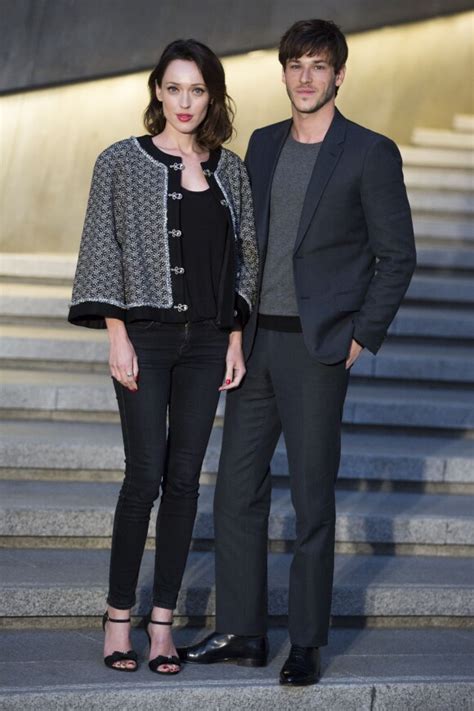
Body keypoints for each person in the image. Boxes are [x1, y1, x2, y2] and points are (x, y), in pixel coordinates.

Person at [178, 19, 416, 685]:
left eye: (318, 66)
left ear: (339, 75)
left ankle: (307, 640)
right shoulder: (263, 144)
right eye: (295, 65)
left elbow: (397, 257)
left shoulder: (370, 153)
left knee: (312, 500)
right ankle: (243, 631)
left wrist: (361, 336)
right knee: (235, 492)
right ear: (283, 73)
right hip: (255, 342)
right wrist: (230, 327)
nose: (305, 77)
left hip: (318, 349)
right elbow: (244, 245)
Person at [68, 38, 258, 675]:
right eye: (174, 88)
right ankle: (118, 616)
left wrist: (234, 335)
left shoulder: (231, 171)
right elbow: (102, 250)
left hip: (207, 345)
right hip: (145, 340)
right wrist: (115, 332)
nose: (185, 102)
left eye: (197, 90)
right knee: (144, 476)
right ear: (157, 90)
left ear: (213, 96)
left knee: (183, 484)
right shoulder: (120, 162)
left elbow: (245, 260)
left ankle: (162, 626)